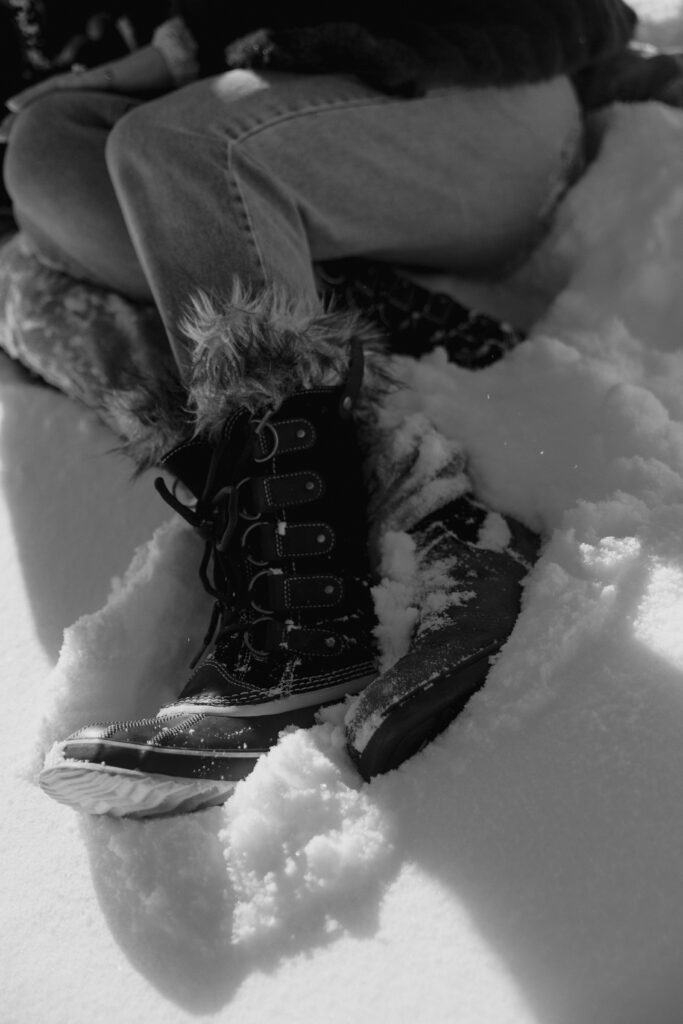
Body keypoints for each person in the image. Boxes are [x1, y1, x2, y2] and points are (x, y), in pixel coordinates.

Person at [0, 1, 663, 817]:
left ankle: (325, 606)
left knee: (178, 147)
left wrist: (174, 55)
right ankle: (385, 411)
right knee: (40, 188)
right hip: (291, 152)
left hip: (474, 84)